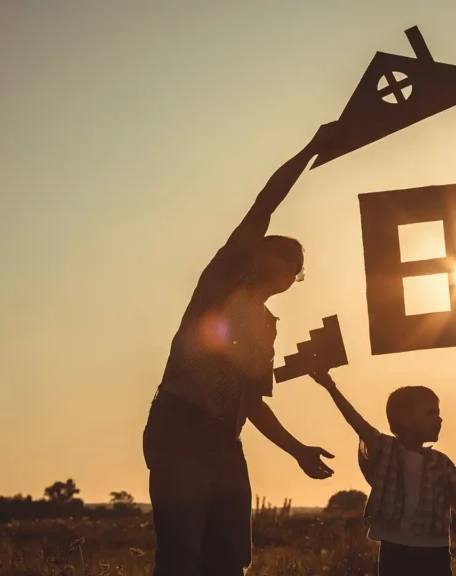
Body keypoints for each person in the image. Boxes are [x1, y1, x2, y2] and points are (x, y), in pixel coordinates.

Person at [142, 122, 341, 575]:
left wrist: (297, 450)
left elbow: (251, 401)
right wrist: (312, 147)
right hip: (180, 430)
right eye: (283, 255)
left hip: (225, 443)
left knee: (230, 561)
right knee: (180, 558)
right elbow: (265, 203)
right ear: (255, 255)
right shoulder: (221, 283)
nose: (291, 266)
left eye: (298, 266)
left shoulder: (266, 327)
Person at [309, 369, 456, 576]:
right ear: (405, 420)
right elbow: (356, 421)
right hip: (396, 551)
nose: (440, 419)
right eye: (430, 413)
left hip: (435, 553)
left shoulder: (441, 463)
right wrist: (331, 387)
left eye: (438, 412)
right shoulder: (385, 449)